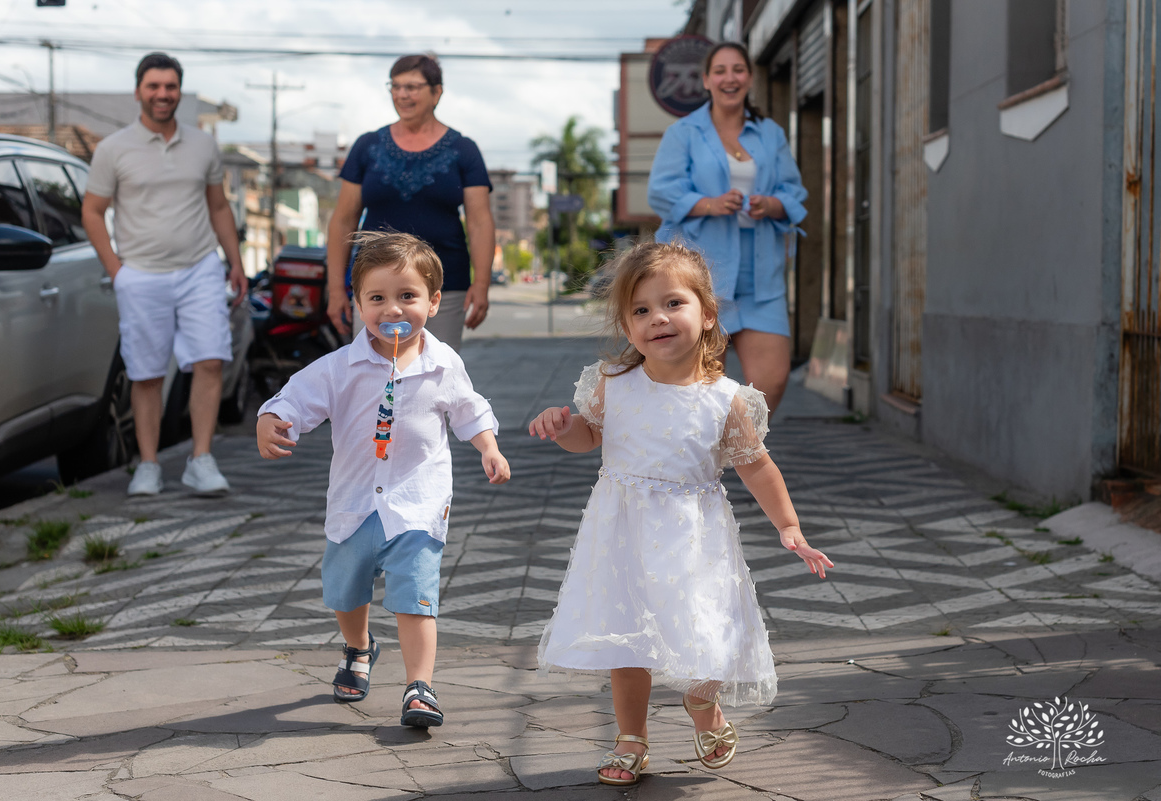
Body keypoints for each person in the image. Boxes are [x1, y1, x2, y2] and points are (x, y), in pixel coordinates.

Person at [529, 242, 832, 786]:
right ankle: (631, 737)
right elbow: (588, 435)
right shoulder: (612, 383)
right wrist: (563, 426)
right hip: (621, 532)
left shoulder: (725, 398)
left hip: (694, 537)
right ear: (626, 325)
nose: (658, 318)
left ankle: (704, 704)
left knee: (701, 627)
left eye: (673, 303)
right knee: (626, 636)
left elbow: (757, 466)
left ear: (707, 314)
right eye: (641, 310)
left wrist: (789, 526)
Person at [257, 231, 510, 726]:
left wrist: (489, 447)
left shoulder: (443, 364)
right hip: (353, 503)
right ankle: (359, 647)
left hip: (417, 503)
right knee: (346, 593)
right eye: (377, 298)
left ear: (433, 302)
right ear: (358, 305)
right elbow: (295, 398)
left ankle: (420, 687)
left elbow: (470, 409)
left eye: (407, 296)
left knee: (416, 597)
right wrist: (273, 420)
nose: (392, 309)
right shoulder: (339, 367)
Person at [82, 51, 247, 497]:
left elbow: (218, 206)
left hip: (200, 268)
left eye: (170, 86)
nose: (162, 94)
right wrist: (116, 270)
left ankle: (201, 459)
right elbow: (92, 212)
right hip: (140, 274)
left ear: (179, 91)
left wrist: (234, 261)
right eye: (153, 86)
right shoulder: (113, 148)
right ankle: (149, 465)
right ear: (138, 91)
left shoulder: (203, 145)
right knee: (147, 373)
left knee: (210, 359)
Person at [648, 41, 808, 413]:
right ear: (706, 80)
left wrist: (770, 204)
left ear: (749, 78)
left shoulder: (770, 133)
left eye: (738, 69)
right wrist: (711, 204)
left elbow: (793, 191)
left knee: (770, 384)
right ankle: (704, 449)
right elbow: (661, 192)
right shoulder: (684, 132)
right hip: (701, 277)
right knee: (695, 390)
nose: (729, 78)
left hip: (761, 277)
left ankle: (739, 447)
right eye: (719, 71)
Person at [326, 54, 495, 351]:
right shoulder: (367, 146)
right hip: (373, 288)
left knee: (436, 371)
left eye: (412, 87)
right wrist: (336, 287)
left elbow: (480, 222)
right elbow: (343, 220)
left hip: (442, 288)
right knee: (371, 370)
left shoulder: (464, 150)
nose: (402, 94)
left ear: (436, 92)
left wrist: (481, 284)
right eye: (396, 86)